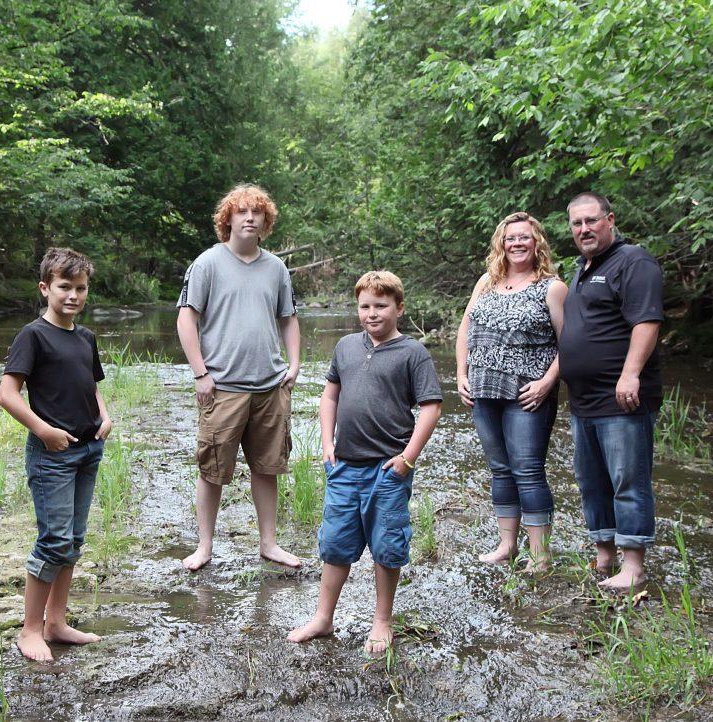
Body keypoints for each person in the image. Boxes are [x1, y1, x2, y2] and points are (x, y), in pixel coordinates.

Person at [288, 271, 442, 655]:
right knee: (336, 543)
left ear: (399, 308)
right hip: (345, 465)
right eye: (365, 306)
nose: (372, 314)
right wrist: (327, 442)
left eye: (381, 306)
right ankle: (324, 618)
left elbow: (431, 407)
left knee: (387, 544)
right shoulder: (345, 346)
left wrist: (408, 458)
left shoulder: (412, 353)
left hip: (388, 469)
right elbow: (330, 396)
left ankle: (382, 620)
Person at [176, 183, 301, 571]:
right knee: (212, 470)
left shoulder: (276, 268)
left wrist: (294, 364)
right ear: (227, 219)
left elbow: (289, 318)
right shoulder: (207, 263)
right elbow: (186, 318)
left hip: (270, 386)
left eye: (257, 213)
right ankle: (204, 547)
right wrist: (201, 373)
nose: (250, 218)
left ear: (266, 221)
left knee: (268, 468)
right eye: (242, 212)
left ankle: (269, 543)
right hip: (223, 387)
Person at [0, 247, 112, 661]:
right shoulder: (33, 335)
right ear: (45, 288)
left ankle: (57, 622)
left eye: (80, 288)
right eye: (64, 287)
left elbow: (91, 383)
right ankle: (30, 631)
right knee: (53, 540)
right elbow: (7, 395)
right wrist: (44, 431)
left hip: (88, 449)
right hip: (52, 455)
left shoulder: (85, 337)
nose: (73, 296)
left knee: (74, 540)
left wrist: (105, 415)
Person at [559, 192, 664, 590]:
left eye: (591, 220)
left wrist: (630, 374)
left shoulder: (634, 261)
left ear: (610, 220)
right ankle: (605, 555)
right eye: (576, 223)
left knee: (628, 480)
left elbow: (647, 321)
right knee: (592, 480)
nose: (584, 229)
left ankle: (633, 564)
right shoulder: (583, 268)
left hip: (622, 399)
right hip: (583, 401)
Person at [455, 212, 568, 572]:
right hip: (483, 389)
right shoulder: (487, 281)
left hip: (528, 392)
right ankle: (507, 545)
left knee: (528, 469)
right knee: (500, 469)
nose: (517, 243)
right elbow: (465, 328)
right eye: (510, 238)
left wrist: (548, 382)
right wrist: (461, 372)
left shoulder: (552, 287)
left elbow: (570, 342)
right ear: (501, 244)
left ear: (537, 243)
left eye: (524, 237)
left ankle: (540, 554)